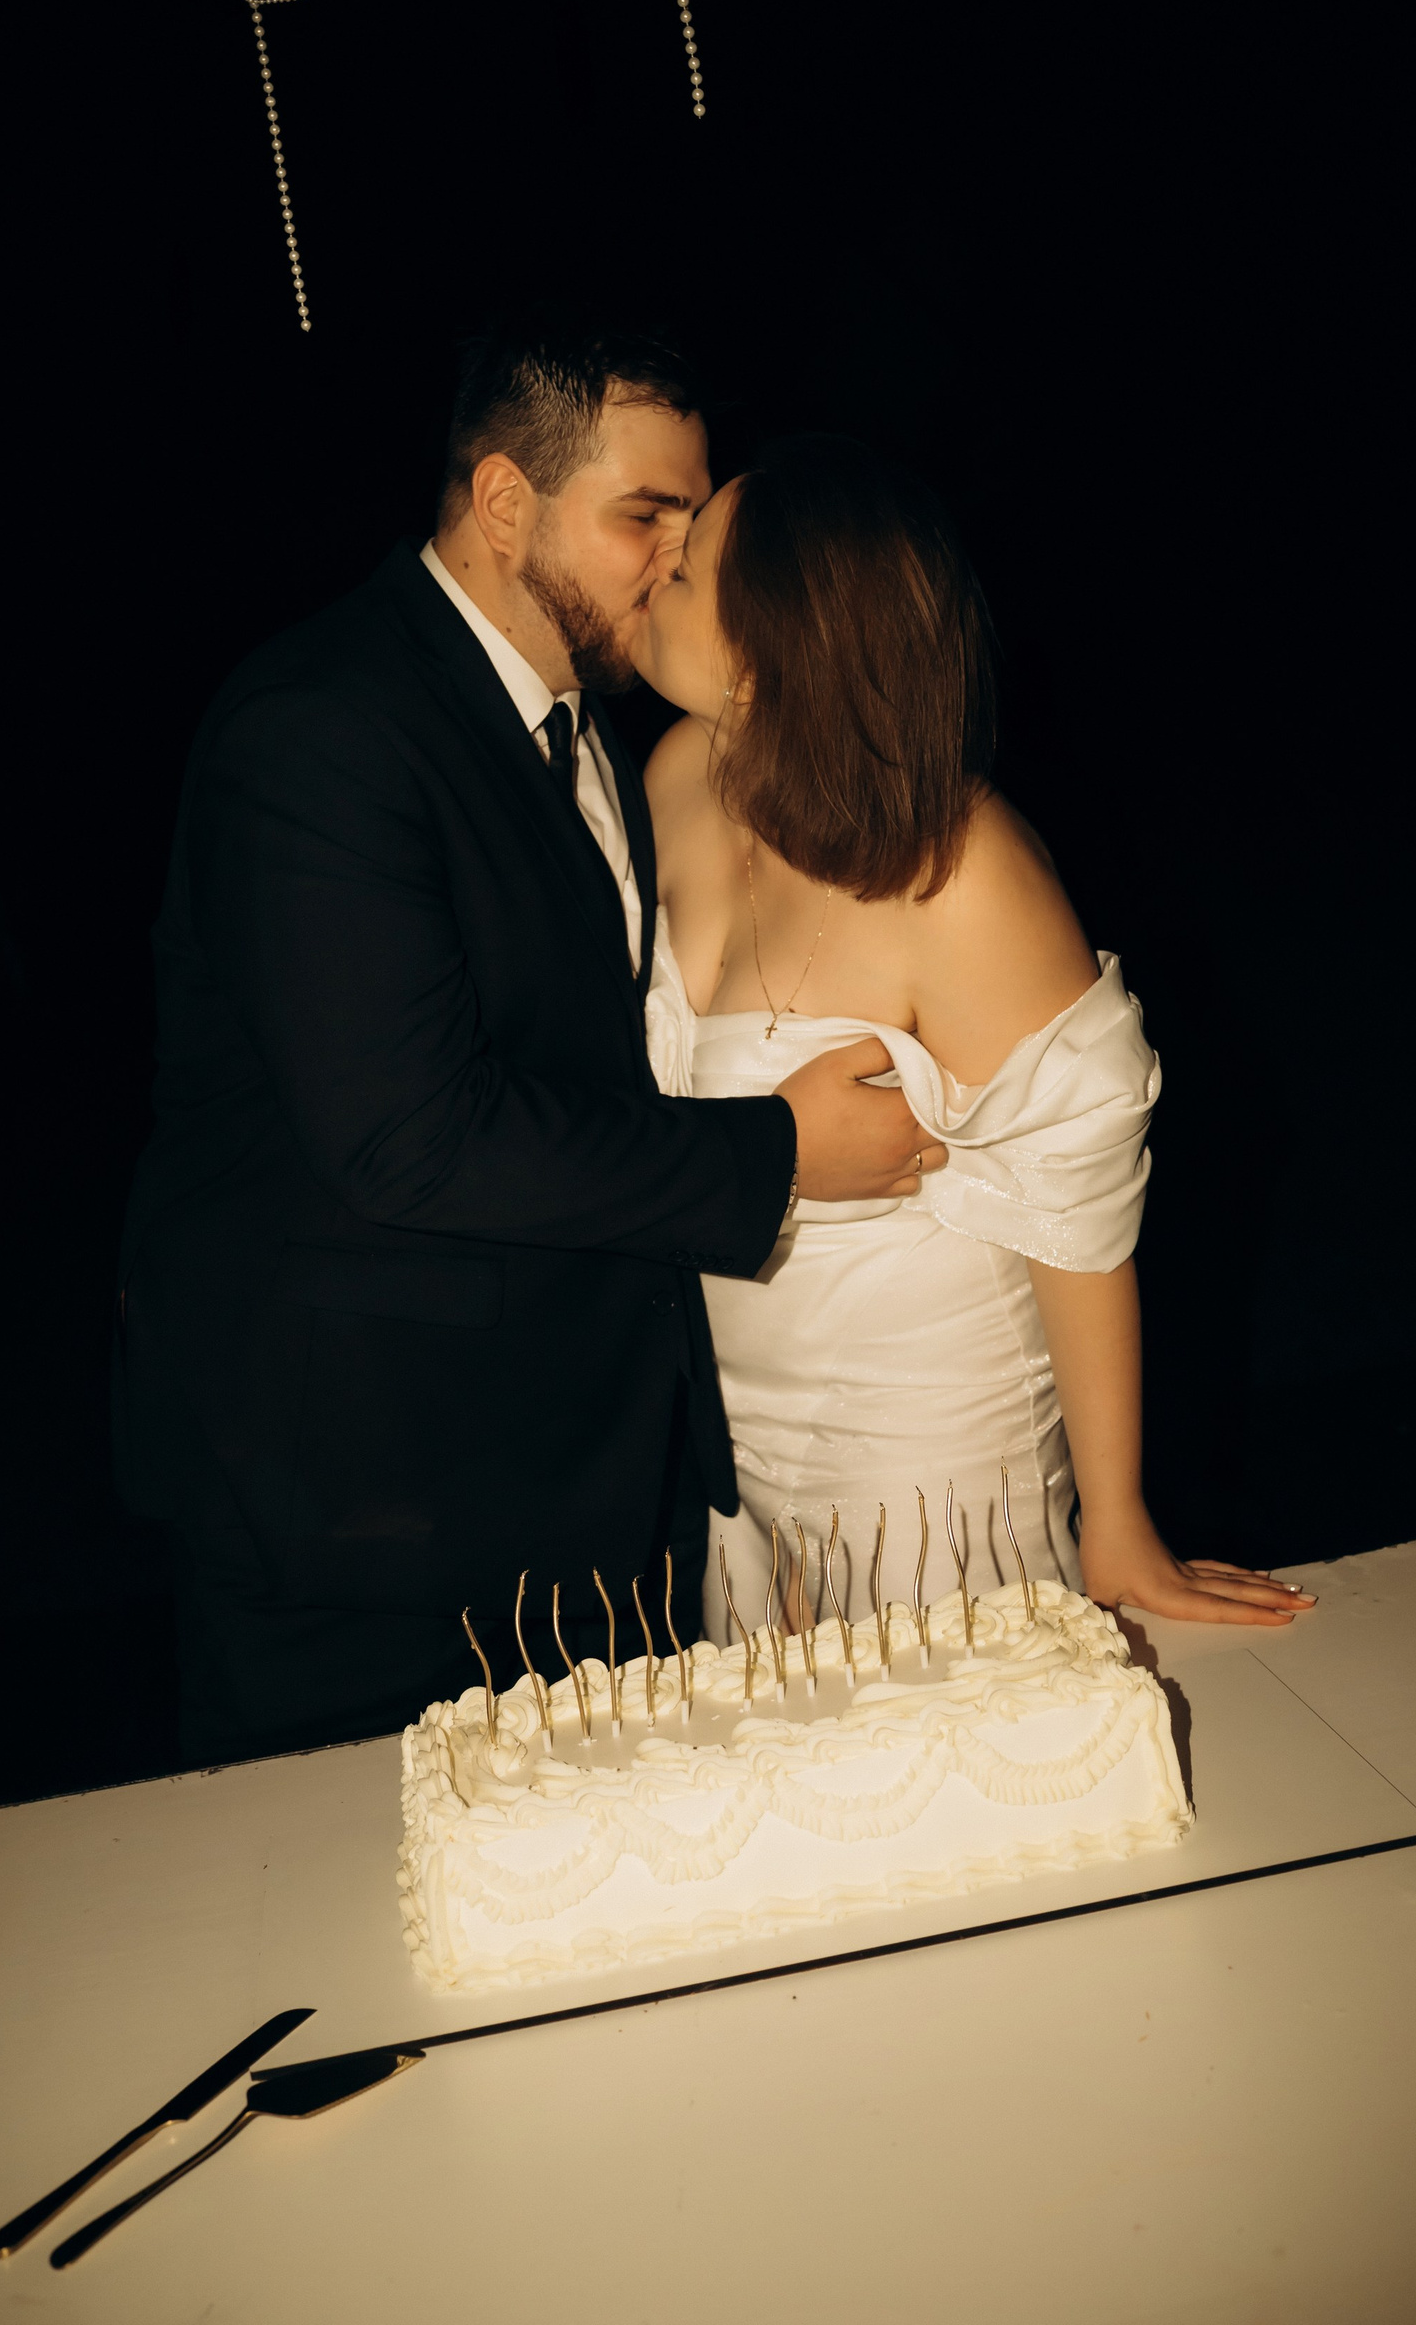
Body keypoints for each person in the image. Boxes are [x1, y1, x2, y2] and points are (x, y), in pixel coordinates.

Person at [114, 329, 940, 1763]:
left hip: (574, 1491)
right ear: (505, 504)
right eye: (644, 517)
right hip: (359, 1509)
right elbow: (410, 1134)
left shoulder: (600, 725)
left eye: (692, 523)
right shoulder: (320, 726)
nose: (677, 563)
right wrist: (776, 1151)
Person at [633, 434, 1313, 1641]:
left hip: (929, 1449)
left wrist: (1117, 1520)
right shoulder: (677, 774)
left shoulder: (962, 871)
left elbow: (1078, 1211)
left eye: (685, 571)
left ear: (768, 648)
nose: (655, 569)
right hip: (738, 1451)